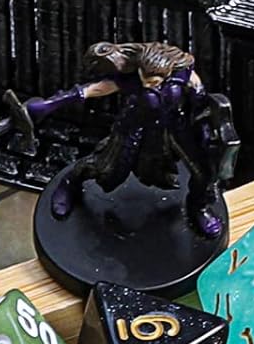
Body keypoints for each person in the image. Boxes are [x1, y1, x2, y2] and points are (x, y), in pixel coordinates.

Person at [28, 41, 232, 238]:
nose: (146, 84)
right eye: (143, 78)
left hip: (175, 128)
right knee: (106, 167)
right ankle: (70, 181)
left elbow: (202, 102)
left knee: (203, 171)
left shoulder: (184, 75)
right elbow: (93, 90)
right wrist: (50, 104)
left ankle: (199, 207)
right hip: (135, 127)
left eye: (152, 82)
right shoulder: (132, 78)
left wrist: (206, 127)